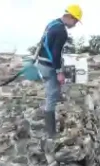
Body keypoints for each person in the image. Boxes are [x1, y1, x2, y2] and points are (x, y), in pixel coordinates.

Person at [35, 4, 82, 138]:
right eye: (76, 21)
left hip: (41, 62)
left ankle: (58, 105)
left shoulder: (52, 24)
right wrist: (59, 72)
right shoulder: (62, 31)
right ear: (71, 17)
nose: (75, 24)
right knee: (52, 94)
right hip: (48, 65)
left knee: (55, 90)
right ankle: (50, 132)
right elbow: (55, 53)